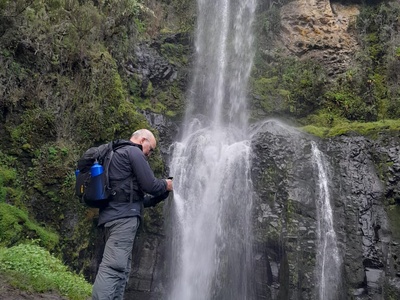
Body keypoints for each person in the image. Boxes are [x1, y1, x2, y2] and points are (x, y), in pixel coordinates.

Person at [92, 129, 173, 300]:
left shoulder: (114, 154)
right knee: (113, 267)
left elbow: (134, 199)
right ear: (143, 140)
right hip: (122, 220)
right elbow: (150, 185)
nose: (149, 155)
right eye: (150, 150)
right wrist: (165, 184)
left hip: (112, 216)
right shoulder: (133, 152)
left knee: (122, 269)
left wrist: (160, 196)